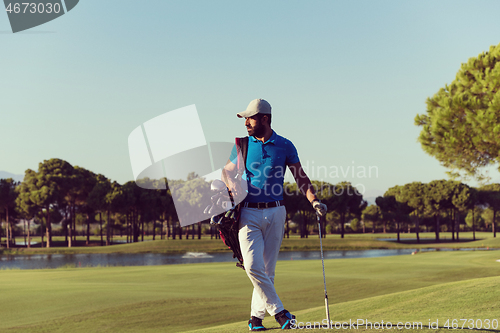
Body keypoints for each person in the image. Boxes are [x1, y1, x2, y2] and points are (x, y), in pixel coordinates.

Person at [222, 98, 327, 331]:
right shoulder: (242, 145)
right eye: (246, 118)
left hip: (277, 212)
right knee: (252, 266)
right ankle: (280, 313)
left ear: (265, 119)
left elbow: (301, 177)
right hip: (248, 213)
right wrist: (232, 184)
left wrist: (315, 201)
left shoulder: (285, 145)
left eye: (250, 118)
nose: (246, 122)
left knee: (267, 270)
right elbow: (227, 172)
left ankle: (255, 319)